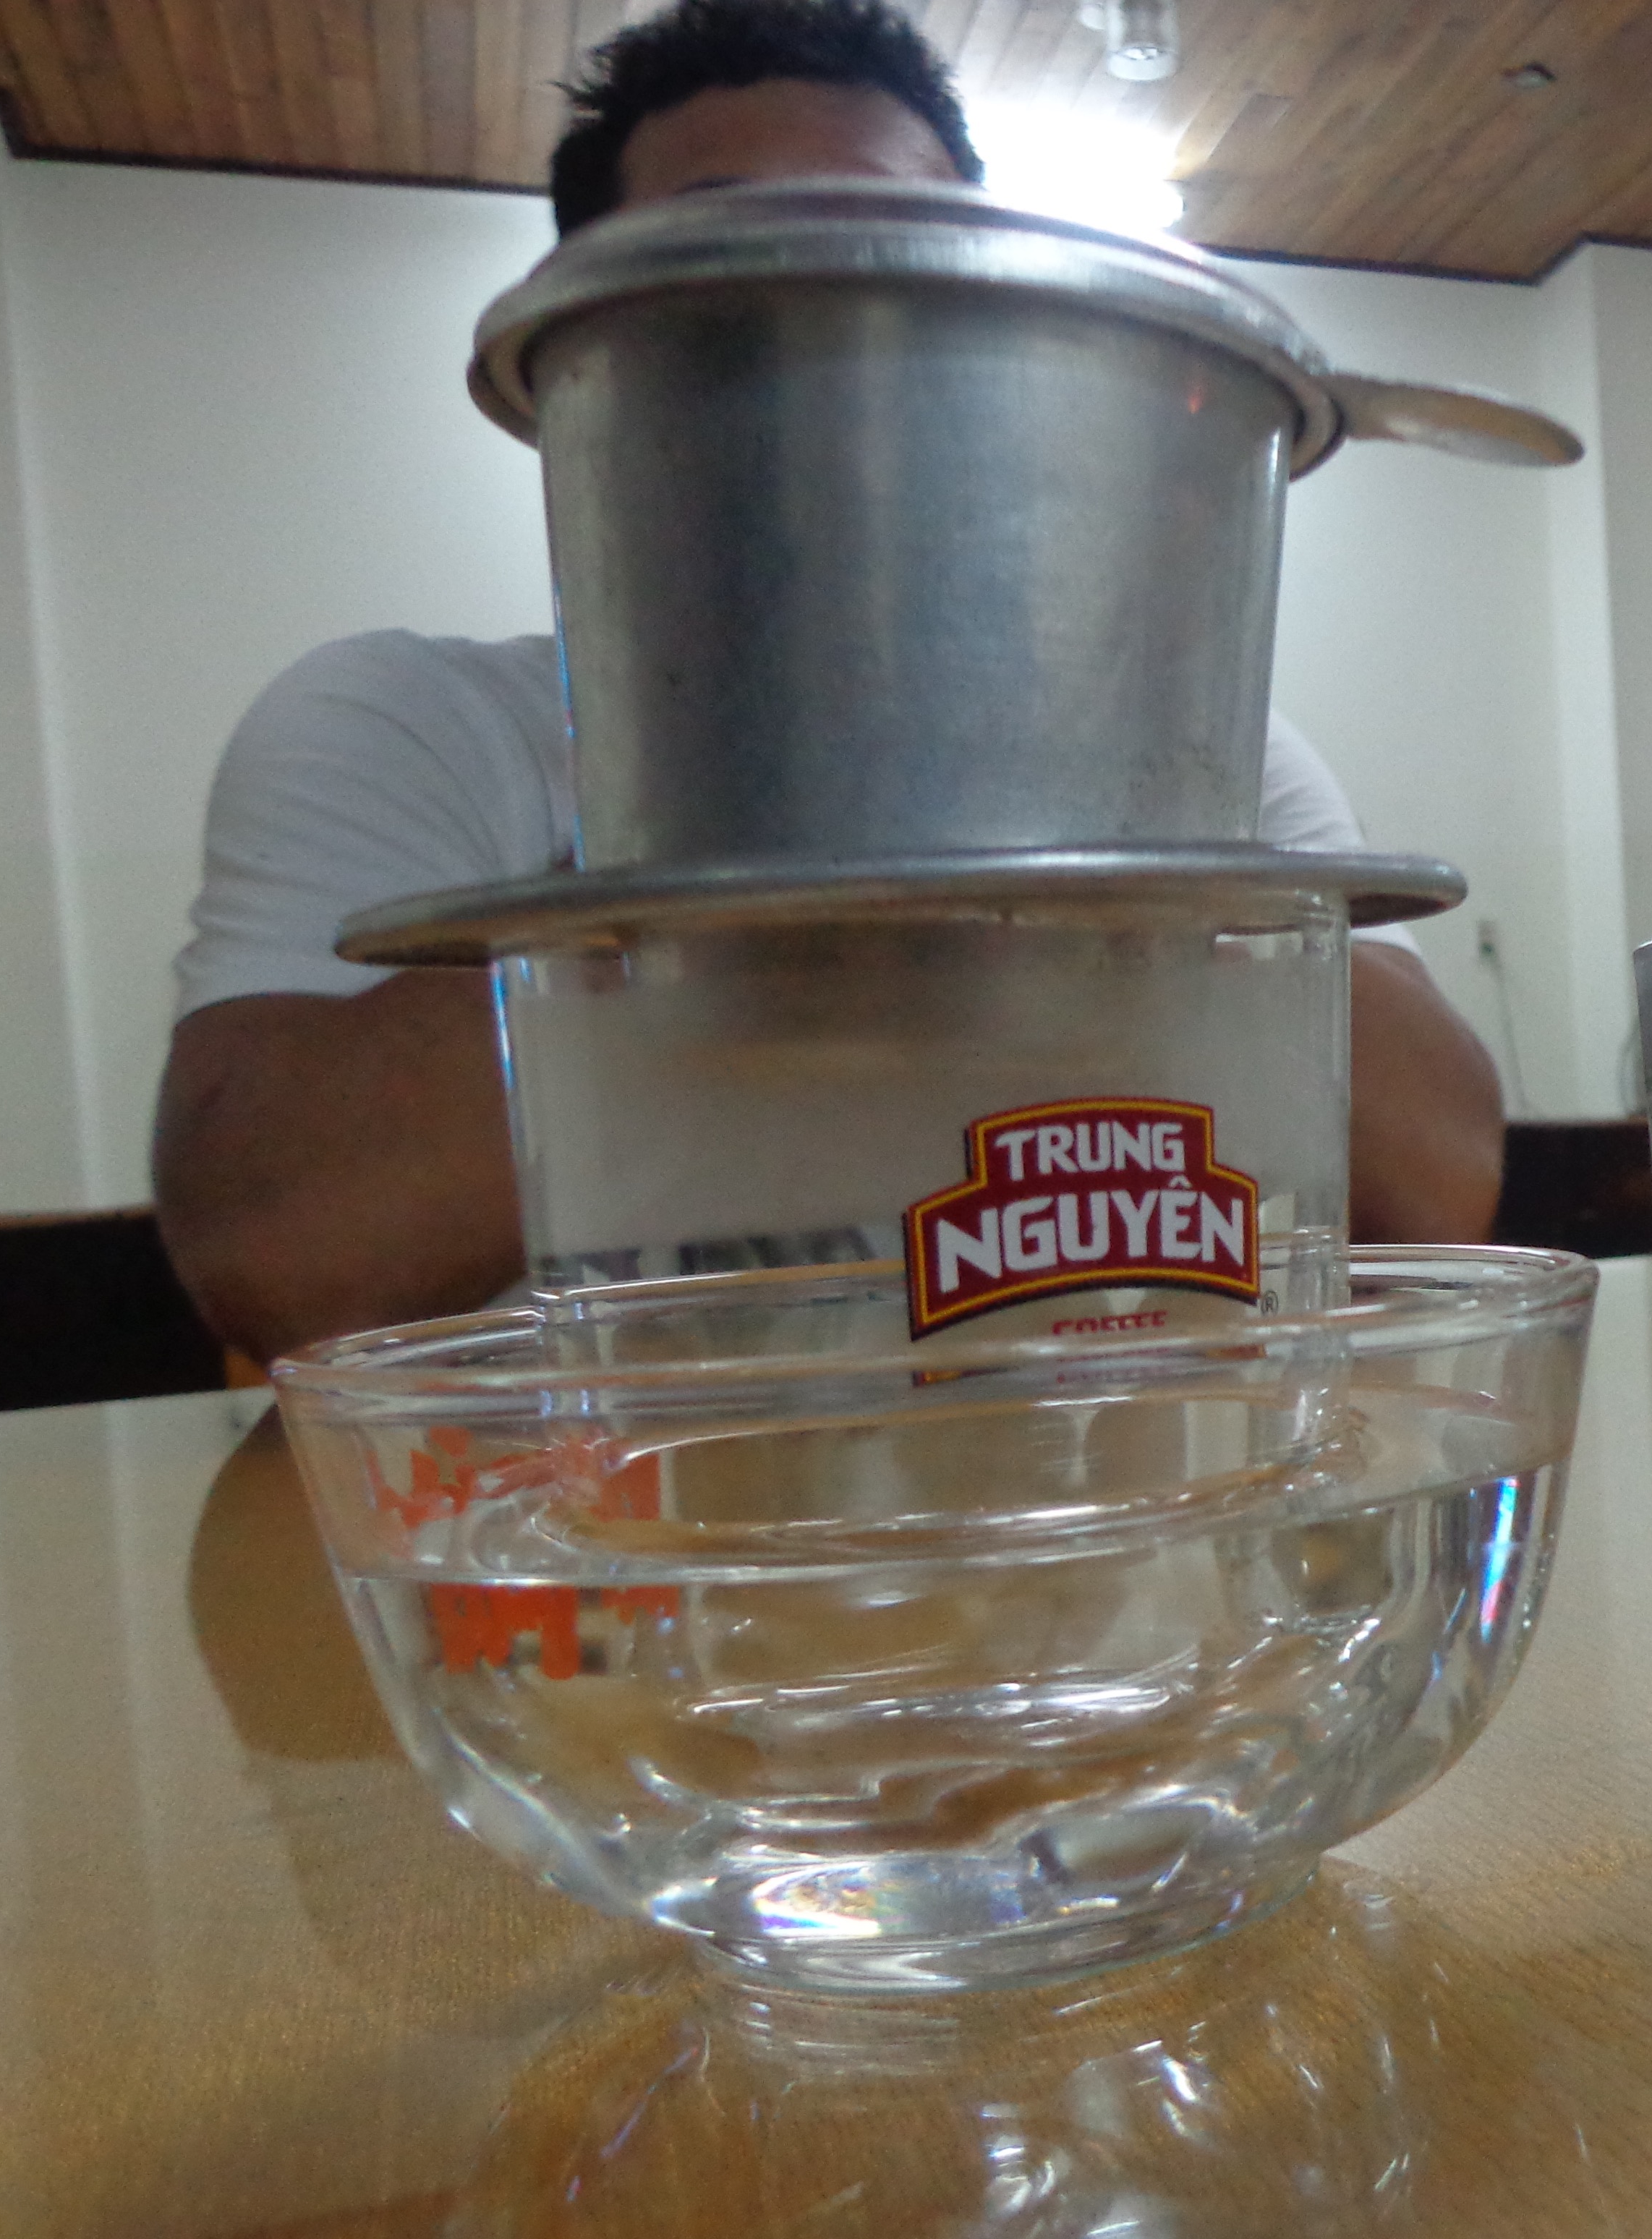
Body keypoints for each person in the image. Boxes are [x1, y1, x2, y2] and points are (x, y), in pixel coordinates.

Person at [151, 0, 1504, 1360]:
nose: (839, 325)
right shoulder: (419, 731)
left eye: (902, 263)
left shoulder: (1209, 756)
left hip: (1092, 1459)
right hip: (633, 1476)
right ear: (594, 359)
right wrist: (786, 871)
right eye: (736, 262)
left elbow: (1439, 1190)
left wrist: (1110, 823)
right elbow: (281, 1267)